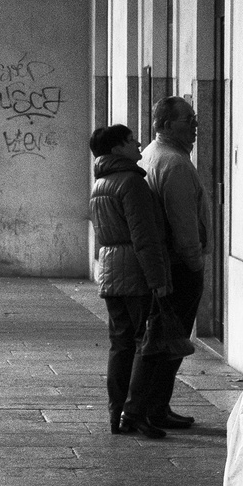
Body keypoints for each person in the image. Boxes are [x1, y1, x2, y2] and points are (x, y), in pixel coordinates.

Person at [89, 123, 174, 439]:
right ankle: (134, 413)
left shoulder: (101, 184)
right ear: (116, 149)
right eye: (130, 140)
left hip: (112, 271)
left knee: (121, 343)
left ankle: (116, 413)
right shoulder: (132, 183)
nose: (139, 143)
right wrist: (158, 279)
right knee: (145, 343)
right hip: (136, 273)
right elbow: (144, 236)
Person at [140, 96, 211, 430]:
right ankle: (154, 406)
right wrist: (195, 264)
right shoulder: (175, 164)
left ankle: (156, 405)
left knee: (162, 338)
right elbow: (184, 223)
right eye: (189, 120)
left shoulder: (153, 155)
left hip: (164, 263)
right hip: (179, 265)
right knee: (170, 340)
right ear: (167, 125)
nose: (195, 126)